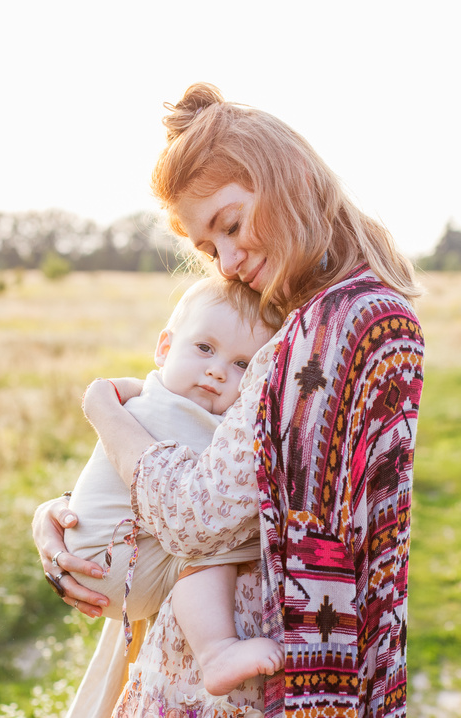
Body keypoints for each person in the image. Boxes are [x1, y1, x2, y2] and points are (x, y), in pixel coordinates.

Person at [33, 82, 424, 717]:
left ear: (287, 176)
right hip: (230, 665)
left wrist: (103, 411)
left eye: (233, 225)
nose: (230, 260)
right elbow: (220, 467)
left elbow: (202, 514)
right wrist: (71, 514)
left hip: (263, 683)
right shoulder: (301, 317)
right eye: (210, 248)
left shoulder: (337, 323)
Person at [57, 275, 284, 696]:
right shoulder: (175, 409)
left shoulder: (151, 396)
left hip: (105, 556)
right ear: (165, 347)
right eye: (204, 349)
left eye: (241, 365)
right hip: (114, 563)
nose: (217, 371)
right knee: (213, 543)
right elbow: (206, 502)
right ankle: (216, 650)